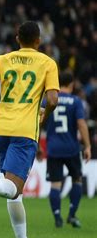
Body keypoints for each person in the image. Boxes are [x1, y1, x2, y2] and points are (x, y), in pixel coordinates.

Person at [0, 21, 59, 238]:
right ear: (38, 41)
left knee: (14, 193)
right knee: (13, 187)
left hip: (1, 129)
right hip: (24, 131)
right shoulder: (47, 63)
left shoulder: (3, 59)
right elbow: (52, 100)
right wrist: (42, 119)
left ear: (17, 38)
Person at [37, 71, 92, 228]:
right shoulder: (76, 101)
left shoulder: (49, 100)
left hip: (53, 148)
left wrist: (38, 145)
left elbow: (39, 122)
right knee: (77, 179)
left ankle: (57, 217)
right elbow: (81, 124)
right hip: (71, 148)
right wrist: (87, 145)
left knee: (55, 184)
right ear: (72, 84)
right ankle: (72, 215)